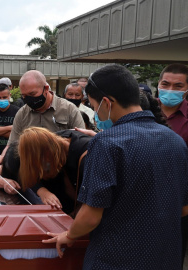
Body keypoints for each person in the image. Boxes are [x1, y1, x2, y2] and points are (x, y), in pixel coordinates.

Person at [42, 64, 188, 270]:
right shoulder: (175, 141)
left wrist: (69, 235)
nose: (95, 113)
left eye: (93, 106)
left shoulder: (106, 143)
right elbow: (183, 209)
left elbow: (91, 216)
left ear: (106, 102)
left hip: (116, 258)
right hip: (165, 257)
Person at [0, 70, 84, 163]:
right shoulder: (22, 113)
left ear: (46, 89)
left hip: (62, 167)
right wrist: (1, 160)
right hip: (31, 169)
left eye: (32, 94)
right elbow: (11, 145)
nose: (29, 99)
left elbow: (81, 144)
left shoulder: (69, 109)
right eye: (24, 96)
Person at [157, 63, 188, 145]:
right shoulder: (143, 109)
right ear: (158, 84)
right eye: (165, 84)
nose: (170, 90)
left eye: (178, 86)